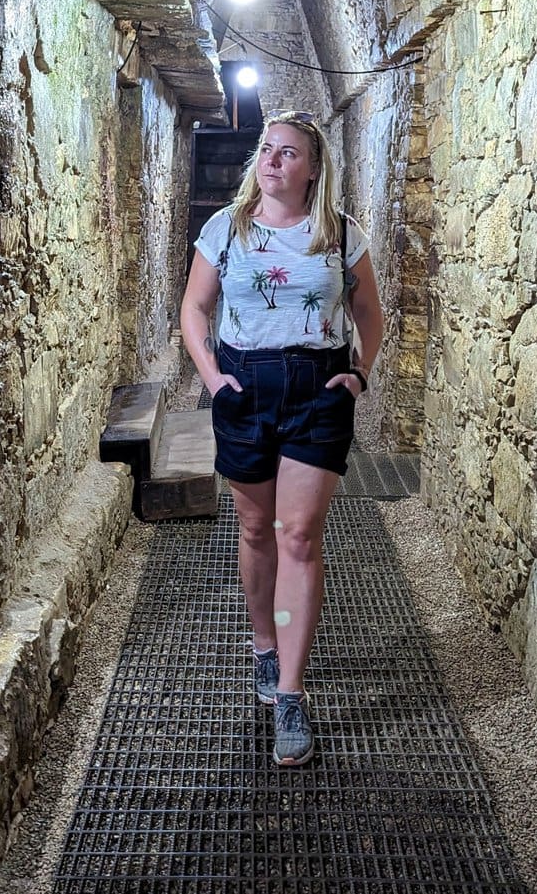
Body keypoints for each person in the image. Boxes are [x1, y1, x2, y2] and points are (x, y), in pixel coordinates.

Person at [180, 109, 384, 767]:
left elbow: (369, 315)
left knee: (299, 535)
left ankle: (290, 693)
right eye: (268, 150)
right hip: (245, 387)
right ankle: (264, 646)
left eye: (289, 153)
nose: (272, 160)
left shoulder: (340, 236)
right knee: (255, 528)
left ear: (313, 168)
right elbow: (195, 308)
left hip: (316, 390)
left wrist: (358, 372)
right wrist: (212, 379)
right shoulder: (226, 230)